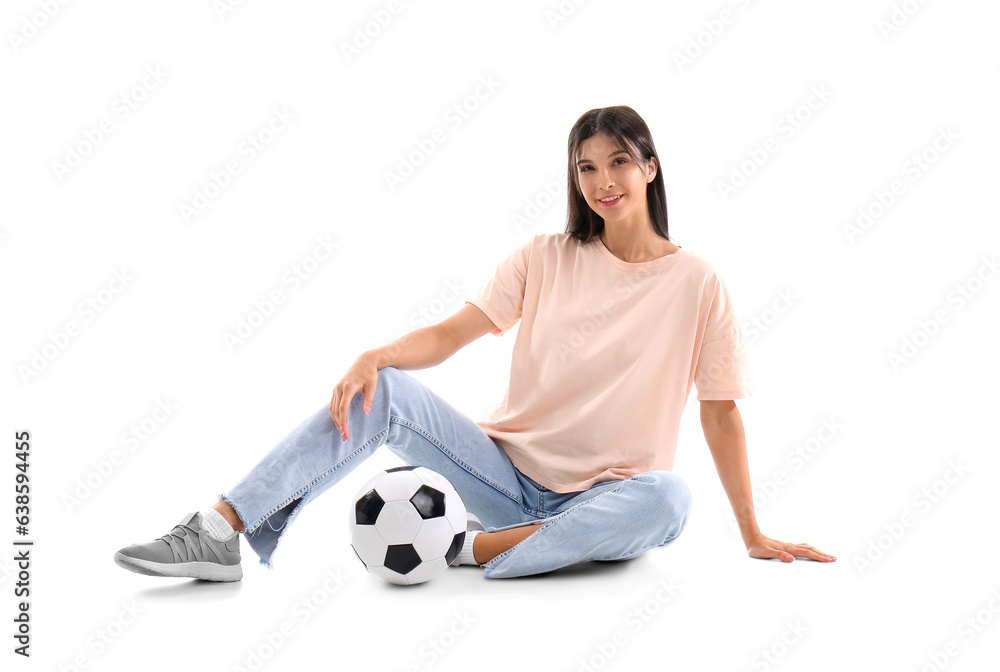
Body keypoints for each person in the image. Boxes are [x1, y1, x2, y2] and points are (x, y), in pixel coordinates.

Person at [114, 105, 836, 582]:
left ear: (650, 167)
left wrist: (751, 531)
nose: (602, 181)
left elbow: (720, 412)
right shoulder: (545, 255)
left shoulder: (698, 283)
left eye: (618, 162)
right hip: (503, 480)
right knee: (385, 390)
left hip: (615, 494)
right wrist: (376, 356)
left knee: (672, 501)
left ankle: (467, 549)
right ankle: (218, 529)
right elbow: (454, 333)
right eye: (586, 167)